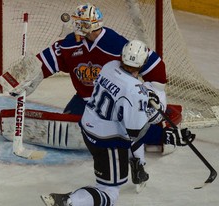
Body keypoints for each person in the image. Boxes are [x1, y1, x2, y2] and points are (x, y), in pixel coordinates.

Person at [0, 2, 177, 188]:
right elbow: (44, 62)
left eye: (78, 23)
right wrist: (23, 77)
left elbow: (155, 65)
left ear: (85, 26)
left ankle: (162, 135)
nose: (73, 25)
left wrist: (152, 95)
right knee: (70, 122)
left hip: (116, 105)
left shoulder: (115, 44)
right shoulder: (69, 44)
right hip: (87, 102)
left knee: (133, 128)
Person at [40, 40, 195, 206]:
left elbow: (122, 92)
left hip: (88, 127)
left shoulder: (110, 66)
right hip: (107, 141)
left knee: (124, 129)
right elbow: (136, 132)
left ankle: (137, 165)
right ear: (142, 64)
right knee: (109, 192)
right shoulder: (135, 92)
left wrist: (143, 97)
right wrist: (167, 136)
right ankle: (69, 201)